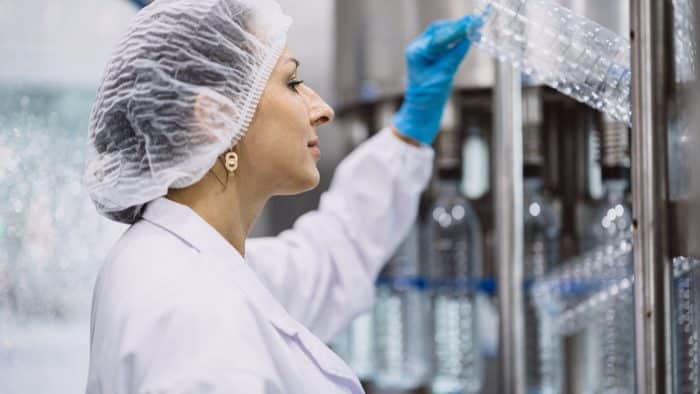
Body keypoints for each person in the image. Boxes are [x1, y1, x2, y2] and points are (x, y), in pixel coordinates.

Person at [84, 0, 483, 392]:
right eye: (293, 83)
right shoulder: (194, 313)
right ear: (215, 117)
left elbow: (326, 261)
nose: (322, 109)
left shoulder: (184, 260)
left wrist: (409, 131)